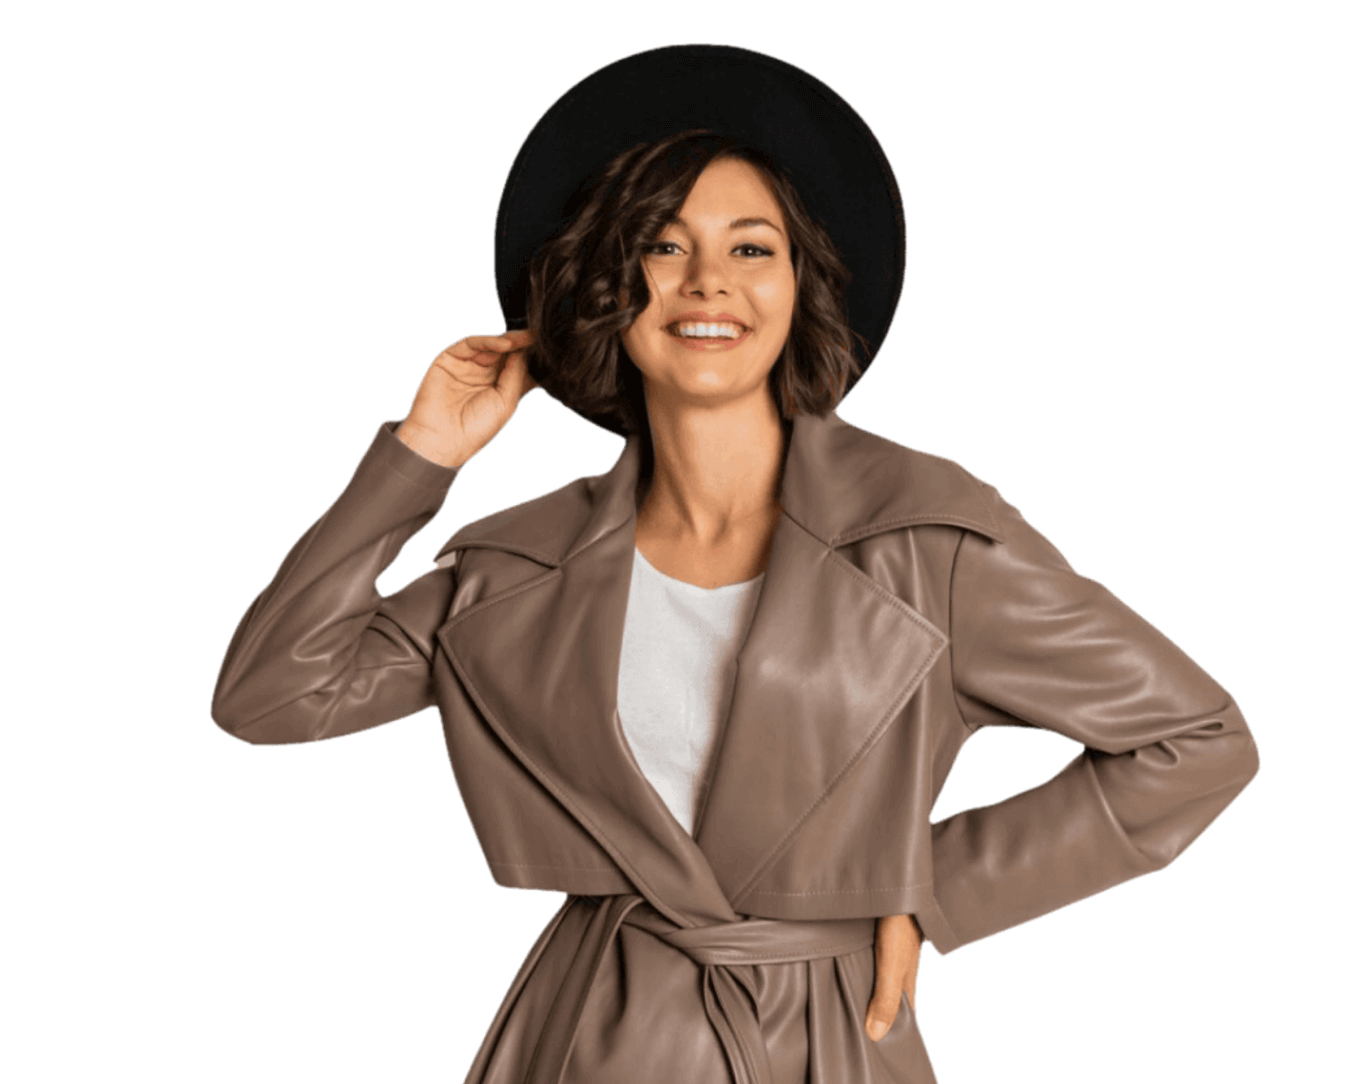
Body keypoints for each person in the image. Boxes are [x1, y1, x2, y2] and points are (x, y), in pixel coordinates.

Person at [211, 46, 1260, 1084]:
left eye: (751, 247)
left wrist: (932, 894)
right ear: (607, 286)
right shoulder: (519, 561)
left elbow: (1198, 739)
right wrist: (420, 458)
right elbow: (269, 698)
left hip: (827, 1036)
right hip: (585, 1033)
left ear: (801, 285)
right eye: (660, 247)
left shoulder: (921, 536)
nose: (707, 280)